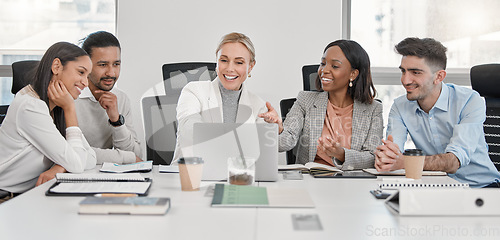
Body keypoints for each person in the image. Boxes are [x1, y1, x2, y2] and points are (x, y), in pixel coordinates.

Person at [375, 37, 500, 188]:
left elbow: (454, 161)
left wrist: (405, 162)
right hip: (436, 187)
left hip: (480, 188)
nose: (405, 80)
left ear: (439, 77)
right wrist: (386, 157)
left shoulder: (470, 101)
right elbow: (394, 154)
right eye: (403, 71)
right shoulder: (400, 106)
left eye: (415, 72)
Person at [260, 40, 383, 170]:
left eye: (334, 66)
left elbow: (372, 158)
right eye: (323, 63)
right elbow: (285, 141)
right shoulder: (305, 100)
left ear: (353, 74)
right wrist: (278, 129)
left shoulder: (373, 109)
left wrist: (341, 154)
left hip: (350, 181)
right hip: (310, 180)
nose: (324, 70)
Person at [0, 42, 97, 199]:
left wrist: (60, 167)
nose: (86, 83)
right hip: (6, 200)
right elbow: (78, 164)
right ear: (57, 66)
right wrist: (70, 110)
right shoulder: (30, 107)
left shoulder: (53, 107)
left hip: (27, 195)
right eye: (81, 72)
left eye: (88, 76)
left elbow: (91, 157)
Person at [173, 32, 267, 161]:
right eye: (224, 60)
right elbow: (190, 131)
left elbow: (263, 151)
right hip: (192, 174)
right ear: (216, 62)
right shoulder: (193, 91)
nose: (229, 68)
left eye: (239, 62)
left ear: (250, 66)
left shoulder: (259, 106)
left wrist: (274, 129)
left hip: (239, 177)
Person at [77, 31, 142, 164]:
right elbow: (71, 151)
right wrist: (120, 157)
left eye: (116, 64)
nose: (111, 72)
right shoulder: (70, 97)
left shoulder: (121, 98)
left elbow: (134, 155)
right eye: (102, 65)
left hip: (103, 175)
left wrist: (116, 120)